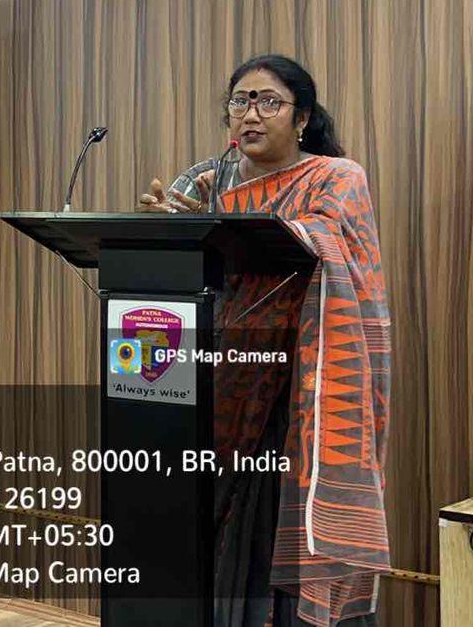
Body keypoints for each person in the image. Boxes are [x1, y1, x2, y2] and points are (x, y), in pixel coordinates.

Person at [139, 54, 391, 627]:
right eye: (240, 101)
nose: (250, 114)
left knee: (270, 534)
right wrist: (159, 228)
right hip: (219, 384)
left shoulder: (336, 177)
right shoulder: (207, 180)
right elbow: (179, 274)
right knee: (209, 544)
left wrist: (228, 225)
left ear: (302, 118)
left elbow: (329, 243)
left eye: (268, 102)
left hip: (301, 388)